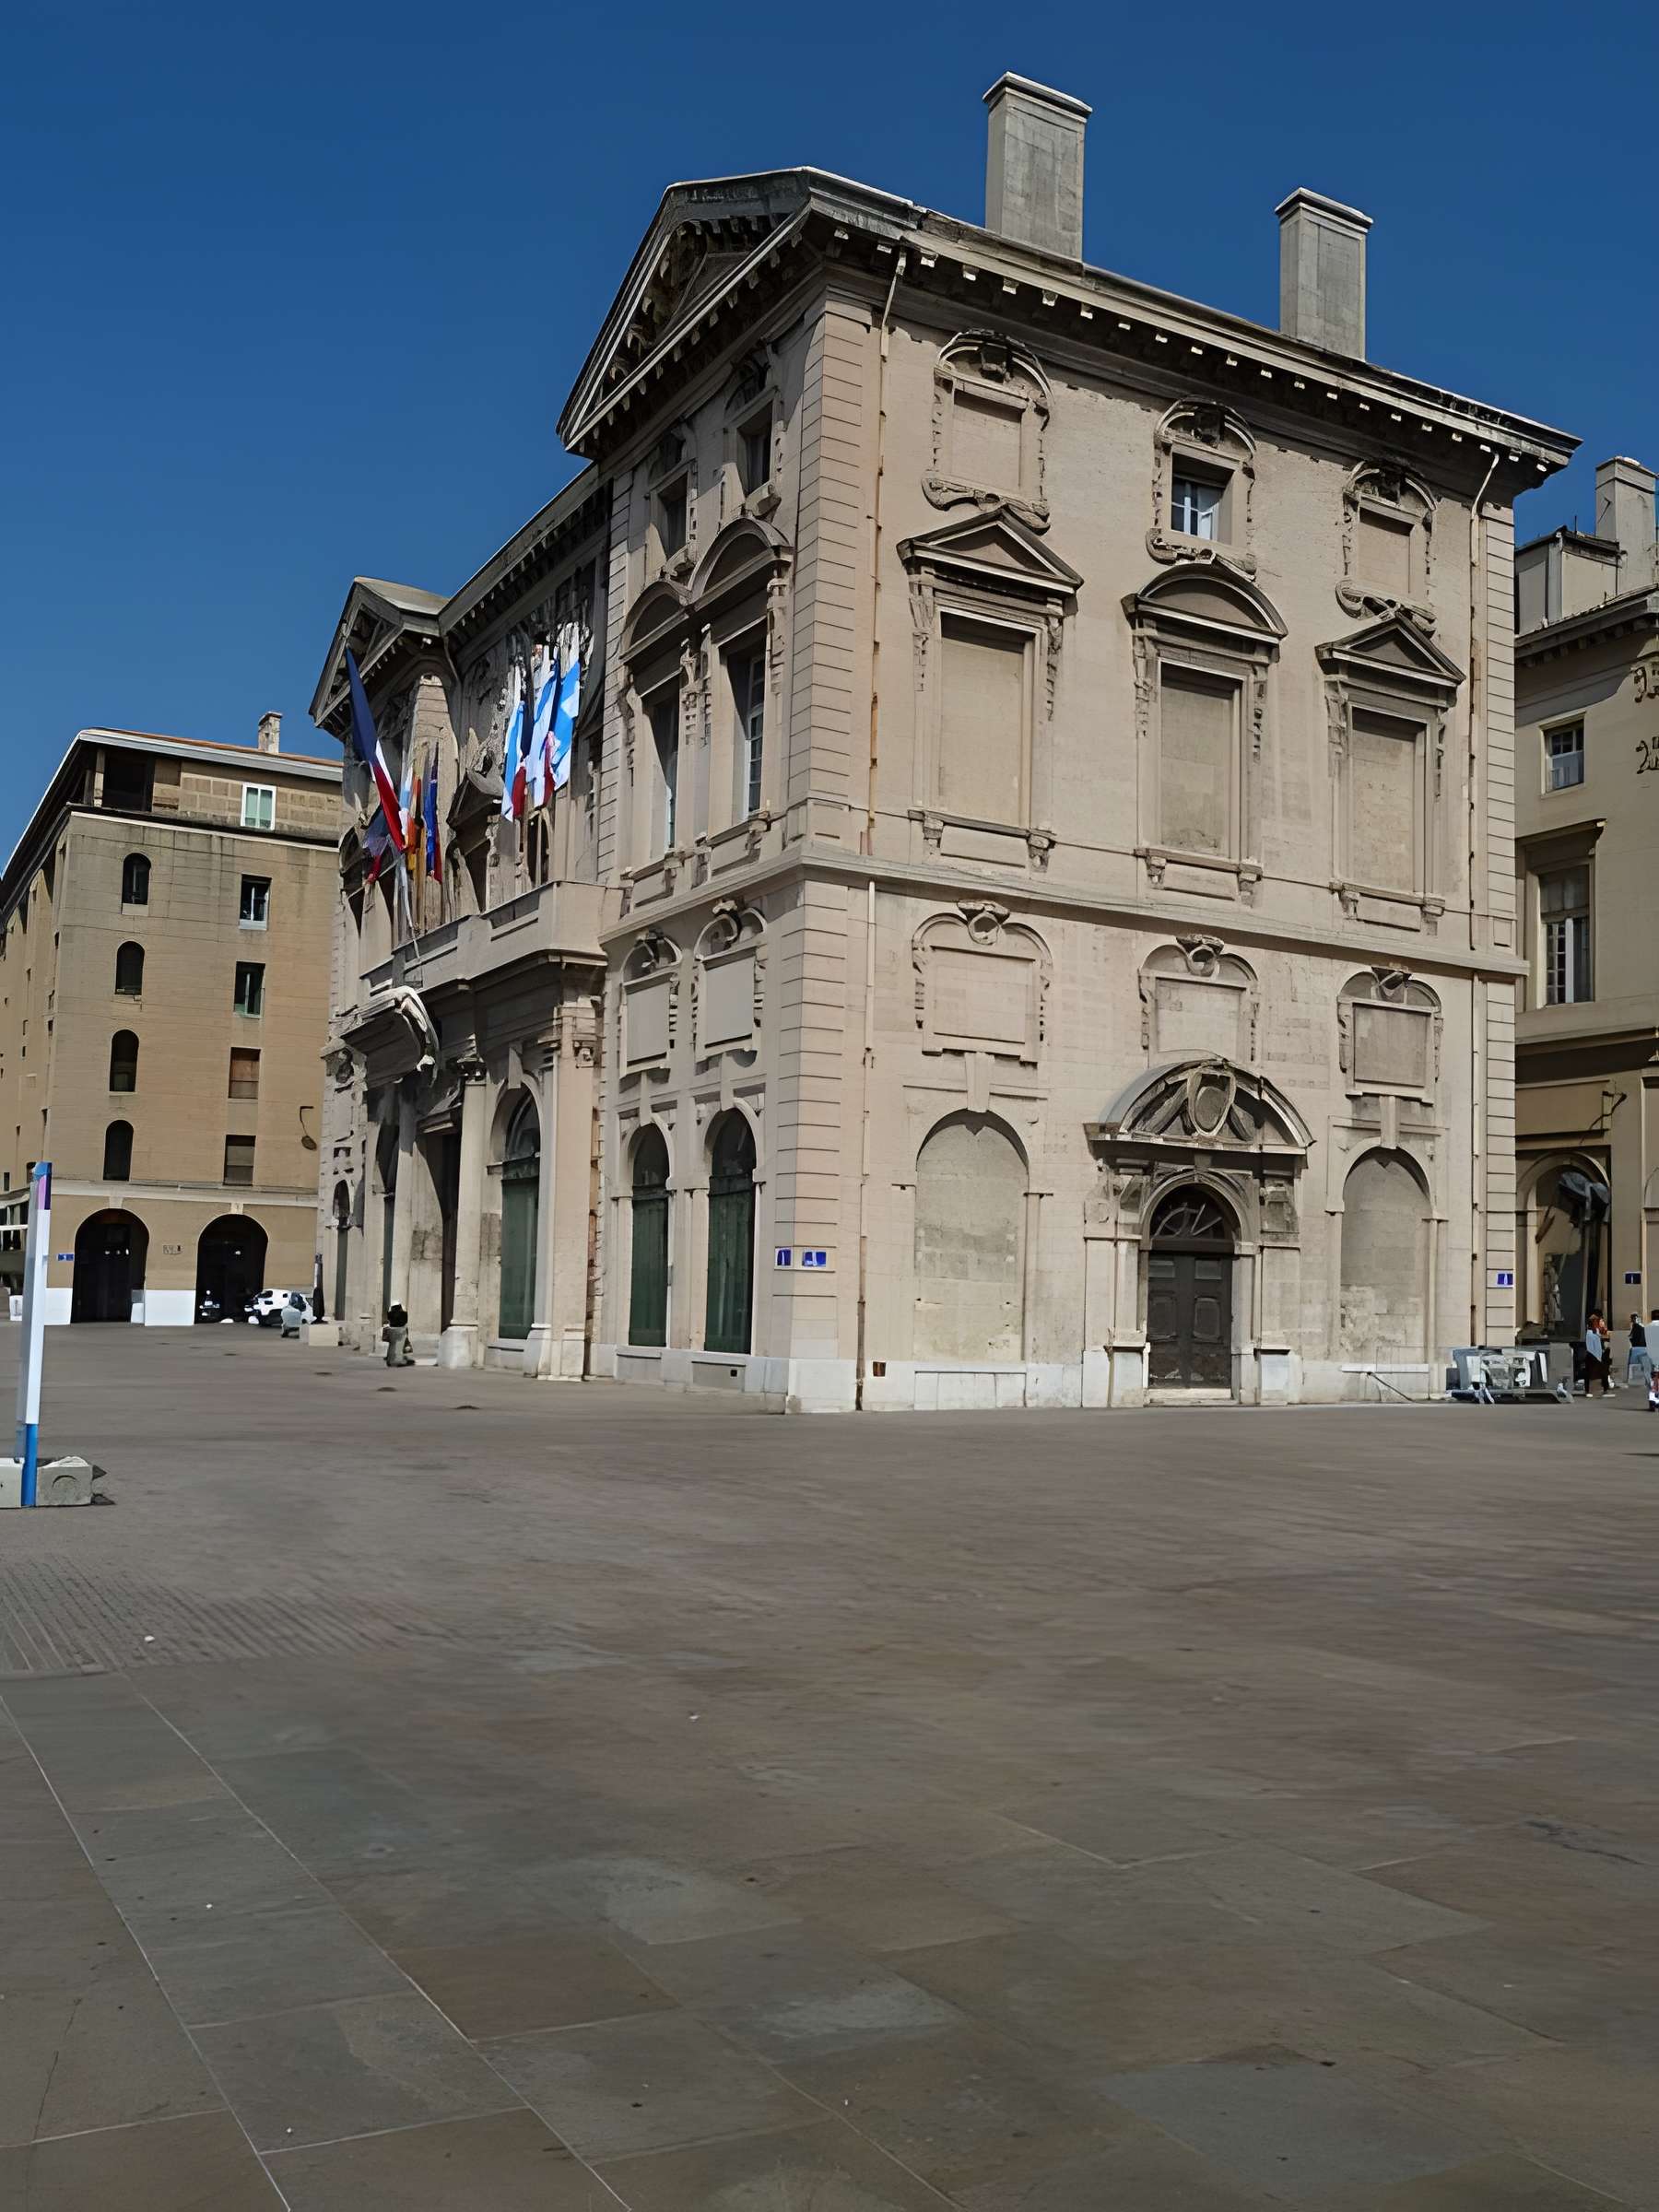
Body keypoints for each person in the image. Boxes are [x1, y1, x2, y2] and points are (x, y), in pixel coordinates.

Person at [1583, 1312, 1610, 1395]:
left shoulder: (1596, 1331)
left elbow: (1603, 1332)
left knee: (1601, 1372)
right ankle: (1589, 1389)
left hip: (1597, 1354)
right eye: (1596, 1321)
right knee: (1595, 1372)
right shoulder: (1590, 1333)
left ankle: (1603, 1388)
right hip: (1592, 1354)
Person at [382, 1301, 415, 1368]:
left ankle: (390, 1360)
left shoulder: (390, 1313)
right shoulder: (403, 1313)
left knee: (392, 1346)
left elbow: (389, 1319)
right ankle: (398, 1361)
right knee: (399, 1346)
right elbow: (405, 1320)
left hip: (392, 1329)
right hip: (400, 1329)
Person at [1627, 1312, 1651, 1389]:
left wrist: (1628, 1339)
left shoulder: (1636, 1326)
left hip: (1637, 1347)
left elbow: (1632, 1336)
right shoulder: (1641, 1325)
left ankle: (1636, 1379)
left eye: (1632, 1318)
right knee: (1643, 1364)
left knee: (1635, 1363)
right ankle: (1645, 1380)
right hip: (1643, 1347)